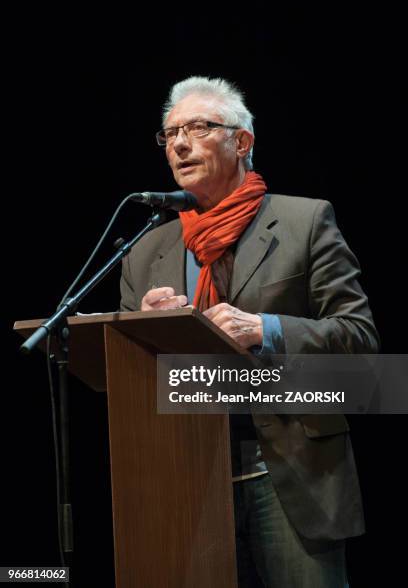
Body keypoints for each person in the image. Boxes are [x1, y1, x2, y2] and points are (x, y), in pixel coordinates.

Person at [120, 76, 379, 587]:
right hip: (186, 478)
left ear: (242, 142)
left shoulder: (304, 222)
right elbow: (127, 380)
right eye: (169, 133)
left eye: (198, 127)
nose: (178, 143)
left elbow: (361, 341)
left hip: (287, 474)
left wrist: (268, 329)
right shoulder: (147, 252)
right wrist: (141, 332)